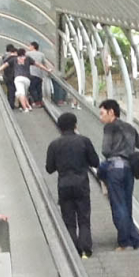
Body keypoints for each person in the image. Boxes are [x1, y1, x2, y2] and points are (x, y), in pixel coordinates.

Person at [45, 110, 100, 257]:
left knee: (68, 219)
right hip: (81, 184)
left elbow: (49, 168)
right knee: (84, 217)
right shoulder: (84, 141)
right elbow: (95, 162)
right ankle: (85, 248)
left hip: (63, 185)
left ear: (59, 127)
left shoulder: (54, 145)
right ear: (75, 125)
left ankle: (72, 249)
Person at [98, 98, 139, 250]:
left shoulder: (109, 127)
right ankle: (135, 240)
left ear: (111, 112)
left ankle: (124, 242)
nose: (100, 117)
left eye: (102, 113)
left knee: (118, 206)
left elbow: (105, 150)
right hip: (129, 169)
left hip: (115, 169)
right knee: (127, 205)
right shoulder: (130, 128)